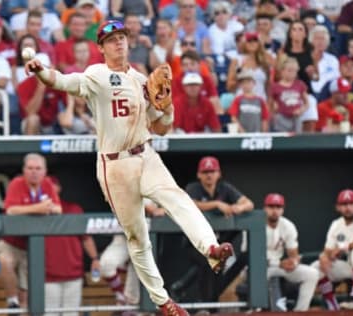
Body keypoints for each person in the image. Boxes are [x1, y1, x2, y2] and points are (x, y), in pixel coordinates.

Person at [24, 20, 234, 316]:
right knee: (137, 237)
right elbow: (61, 81)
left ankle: (211, 249)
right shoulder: (96, 75)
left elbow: (161, 128)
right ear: (101, 48)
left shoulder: (140, 79)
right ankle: (163, 301)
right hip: (114, 164)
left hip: (145, 154)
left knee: (177, 197)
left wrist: (167, 107)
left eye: (121, 37)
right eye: (111, 39)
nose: (118, 43)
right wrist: (40, 71)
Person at [0, 153, 62, 311]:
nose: (34, 172)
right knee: (5, 261)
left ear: (45, 171)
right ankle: (12, 301)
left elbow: (58, 209)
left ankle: (19, 304)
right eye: (30, 168)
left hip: (32, 247)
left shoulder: (48, 184)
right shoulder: (17, 183)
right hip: (10, 241)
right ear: (24, 170)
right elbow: (10, 210)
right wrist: (39, 208)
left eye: (38, 168)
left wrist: (36, 209)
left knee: (26, 297)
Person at [182, 156, 253, 304]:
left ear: (218, 173)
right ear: (199, 174)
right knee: (208, 262)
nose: (209, 175)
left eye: (212, 171)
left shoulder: (225, 188)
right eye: (205, 171)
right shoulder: (193, 188)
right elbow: (190, 204)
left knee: (218, 267)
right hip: (195, 243)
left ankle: (209, 305)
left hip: (217, 241)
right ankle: (203, 303)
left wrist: (239, 207)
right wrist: (217, 204)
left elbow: (249, 204)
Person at [311, 189, 353, 310]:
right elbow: (328, 250)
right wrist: (323, 257)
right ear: (338, 207)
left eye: (351, 204)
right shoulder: (336, 224)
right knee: (316, 267)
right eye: (344, 204)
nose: (348, 207)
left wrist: (343, 247)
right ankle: (333, 305)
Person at [44, 176, 100, 316]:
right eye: (47, 186)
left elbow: (86, 238)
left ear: (59, 188)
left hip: (73, 274)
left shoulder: (74, 209)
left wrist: (95, 258)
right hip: (47, 276)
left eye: (53, 185)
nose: (51, 188)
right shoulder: (36, 212)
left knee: (71, 314)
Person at [263, 193, 319, 311]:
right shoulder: (257, 224)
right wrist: (279, 263)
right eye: (271, 207)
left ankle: (300, 311)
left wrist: (293, 262)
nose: (274, 210)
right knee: (265, 275)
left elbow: (293, 253)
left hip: (278, 266)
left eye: (278, 207)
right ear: (265, 208)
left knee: (312, 273)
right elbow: (250, 256)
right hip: (258, 269)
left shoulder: (288, 226)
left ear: (283, 210)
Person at [270, 56, 309, 133]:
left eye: (294, 71)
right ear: (282, 71)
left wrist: (301, 110)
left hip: (296, 117)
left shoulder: (300, 85)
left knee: (297, 138)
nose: (292, 73)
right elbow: (270, 103)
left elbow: (306, 103)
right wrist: (274, 112)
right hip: (281, 117)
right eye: (289, 71)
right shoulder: (275, 87)